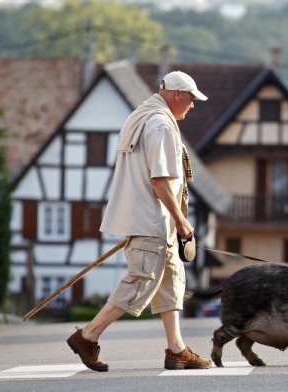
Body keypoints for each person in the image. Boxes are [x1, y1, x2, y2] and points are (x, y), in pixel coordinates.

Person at [66, 70, 212, 372]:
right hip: (152, 221)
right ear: (176, 95)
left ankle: (177, 350)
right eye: (191, 99)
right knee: (140, 282)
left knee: (171, 281)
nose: (193, 105)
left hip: (153, 221)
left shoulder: (144, 116)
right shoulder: (160, 125)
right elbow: (159, 181)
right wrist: (182, 221)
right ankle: (87, 336)